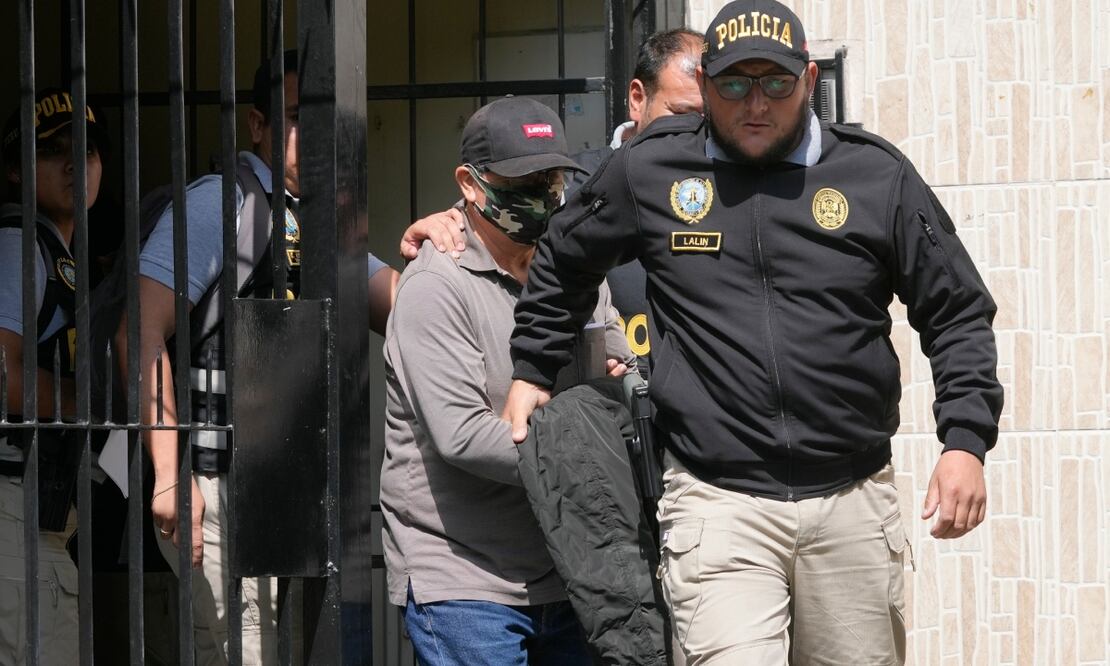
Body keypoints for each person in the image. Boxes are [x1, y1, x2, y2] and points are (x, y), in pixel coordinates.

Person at [503, 1, 1004, 664]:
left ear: (810, 77)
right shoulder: (654, 171)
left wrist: (965, 440)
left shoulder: (875, 175)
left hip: (851, 501)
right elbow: (565, 254)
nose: (756, 103)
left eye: (776, 82)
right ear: (707, 83)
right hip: (717, 501)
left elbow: (956, 310)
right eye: (735, 84)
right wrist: (533, 368)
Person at [116, 51, 461, 665]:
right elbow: (137, 332)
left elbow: (406, 311)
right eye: (301, 117)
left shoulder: (319, 224)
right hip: (218, 491)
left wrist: (440, 241)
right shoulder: (222, 204)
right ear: (258, 125)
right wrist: (171, 474)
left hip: (291, 500)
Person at [379, 96, 635, 665]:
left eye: (553, 177)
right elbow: (463, 436)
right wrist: (590, 453)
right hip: (464, 581)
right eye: (524, 179)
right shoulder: (435, 285)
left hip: (567, 568)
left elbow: (619, 374)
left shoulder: (573, 275)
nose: (546, 194)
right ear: (470, 185)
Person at [0, 88, 109, 665]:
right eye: (53, 151)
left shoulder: (55, 254)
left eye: (88, 150)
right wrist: (84, 400)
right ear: (15, 171)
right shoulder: (19, 245)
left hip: (36, 526)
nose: (75, 163)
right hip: (13, 512)